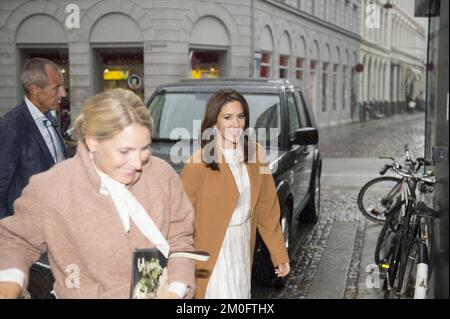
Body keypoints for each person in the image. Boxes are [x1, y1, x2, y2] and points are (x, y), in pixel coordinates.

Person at [0, 88, 196, 299]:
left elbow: (180, 240)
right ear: (92, 141)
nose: (138, 162)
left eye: (144, 148)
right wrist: (10, 282)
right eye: (125, 151)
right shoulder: (53, 187)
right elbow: (15, 241)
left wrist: (175, 290)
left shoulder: (161, 175)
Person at [180, 89, 290, 299]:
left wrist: (278, 253)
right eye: (227, 117)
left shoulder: (256, 154)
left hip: (241, 245)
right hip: (209, 254)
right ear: (214, 122)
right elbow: (181, 221)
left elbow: (267, 207)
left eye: (240, 117)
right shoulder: (198, 164)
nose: (236, 124)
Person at [0, 57, 69, 218]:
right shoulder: (12, 125)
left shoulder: (51, 118)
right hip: (25, 232)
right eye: (56, 87)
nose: (63, 93)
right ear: (34, 89)